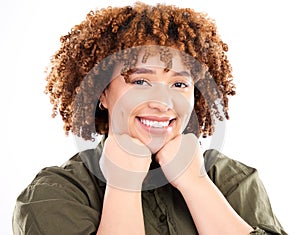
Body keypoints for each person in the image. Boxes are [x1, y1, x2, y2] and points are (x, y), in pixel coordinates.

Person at [13, 2, 287, 234]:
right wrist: (123, 185)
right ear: (102, 93)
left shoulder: (232, 179)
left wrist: (196, 184)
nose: (163, 102)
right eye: (141, 81)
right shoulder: (54, 194)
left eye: (179, 85)